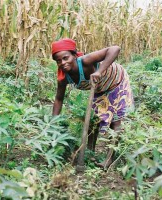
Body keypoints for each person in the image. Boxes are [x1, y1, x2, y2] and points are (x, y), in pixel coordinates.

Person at [51, 38, 133, 169]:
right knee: (94, 119)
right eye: (59, 61)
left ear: (74, 55)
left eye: (66, 58)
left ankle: (110, 159)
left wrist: (99, 71)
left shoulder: (85, 61)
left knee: (115, 121)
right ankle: (90, 152)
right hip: (100, 89)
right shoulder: (64, 78)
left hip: (117, 81)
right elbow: (58, 99)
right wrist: (52, 123)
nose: (63, 62)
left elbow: (115, 49)